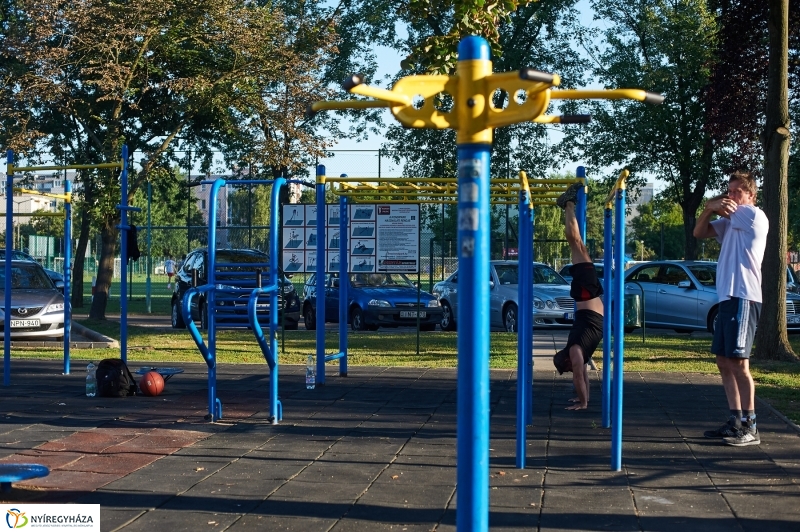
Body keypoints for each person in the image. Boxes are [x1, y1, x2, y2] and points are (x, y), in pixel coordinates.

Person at [693, 170, 768, 447]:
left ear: (751, 195)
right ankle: (735, 421)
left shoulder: (753, 215)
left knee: (739, 363)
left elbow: (722, 207)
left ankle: (751, 426)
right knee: (723, 361)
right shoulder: (729, 222)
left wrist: (713, 204)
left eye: (737, 191)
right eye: (729, 191)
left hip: (744, 296)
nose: (731, 196)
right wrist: (707, 209)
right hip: (727, 297)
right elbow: (699, 232)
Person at [552, 183, 605, 410]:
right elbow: (583, 375)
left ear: (566, 360)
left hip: (586, 296)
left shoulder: (574, 352)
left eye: (567, 367)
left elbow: (578, 377)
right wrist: (585, 399)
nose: (572, 369)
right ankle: (568, 205)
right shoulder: (577, 353)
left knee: (575, 243)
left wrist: (582, 403)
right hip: (587, 296)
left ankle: (569, 204)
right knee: (578, 245)